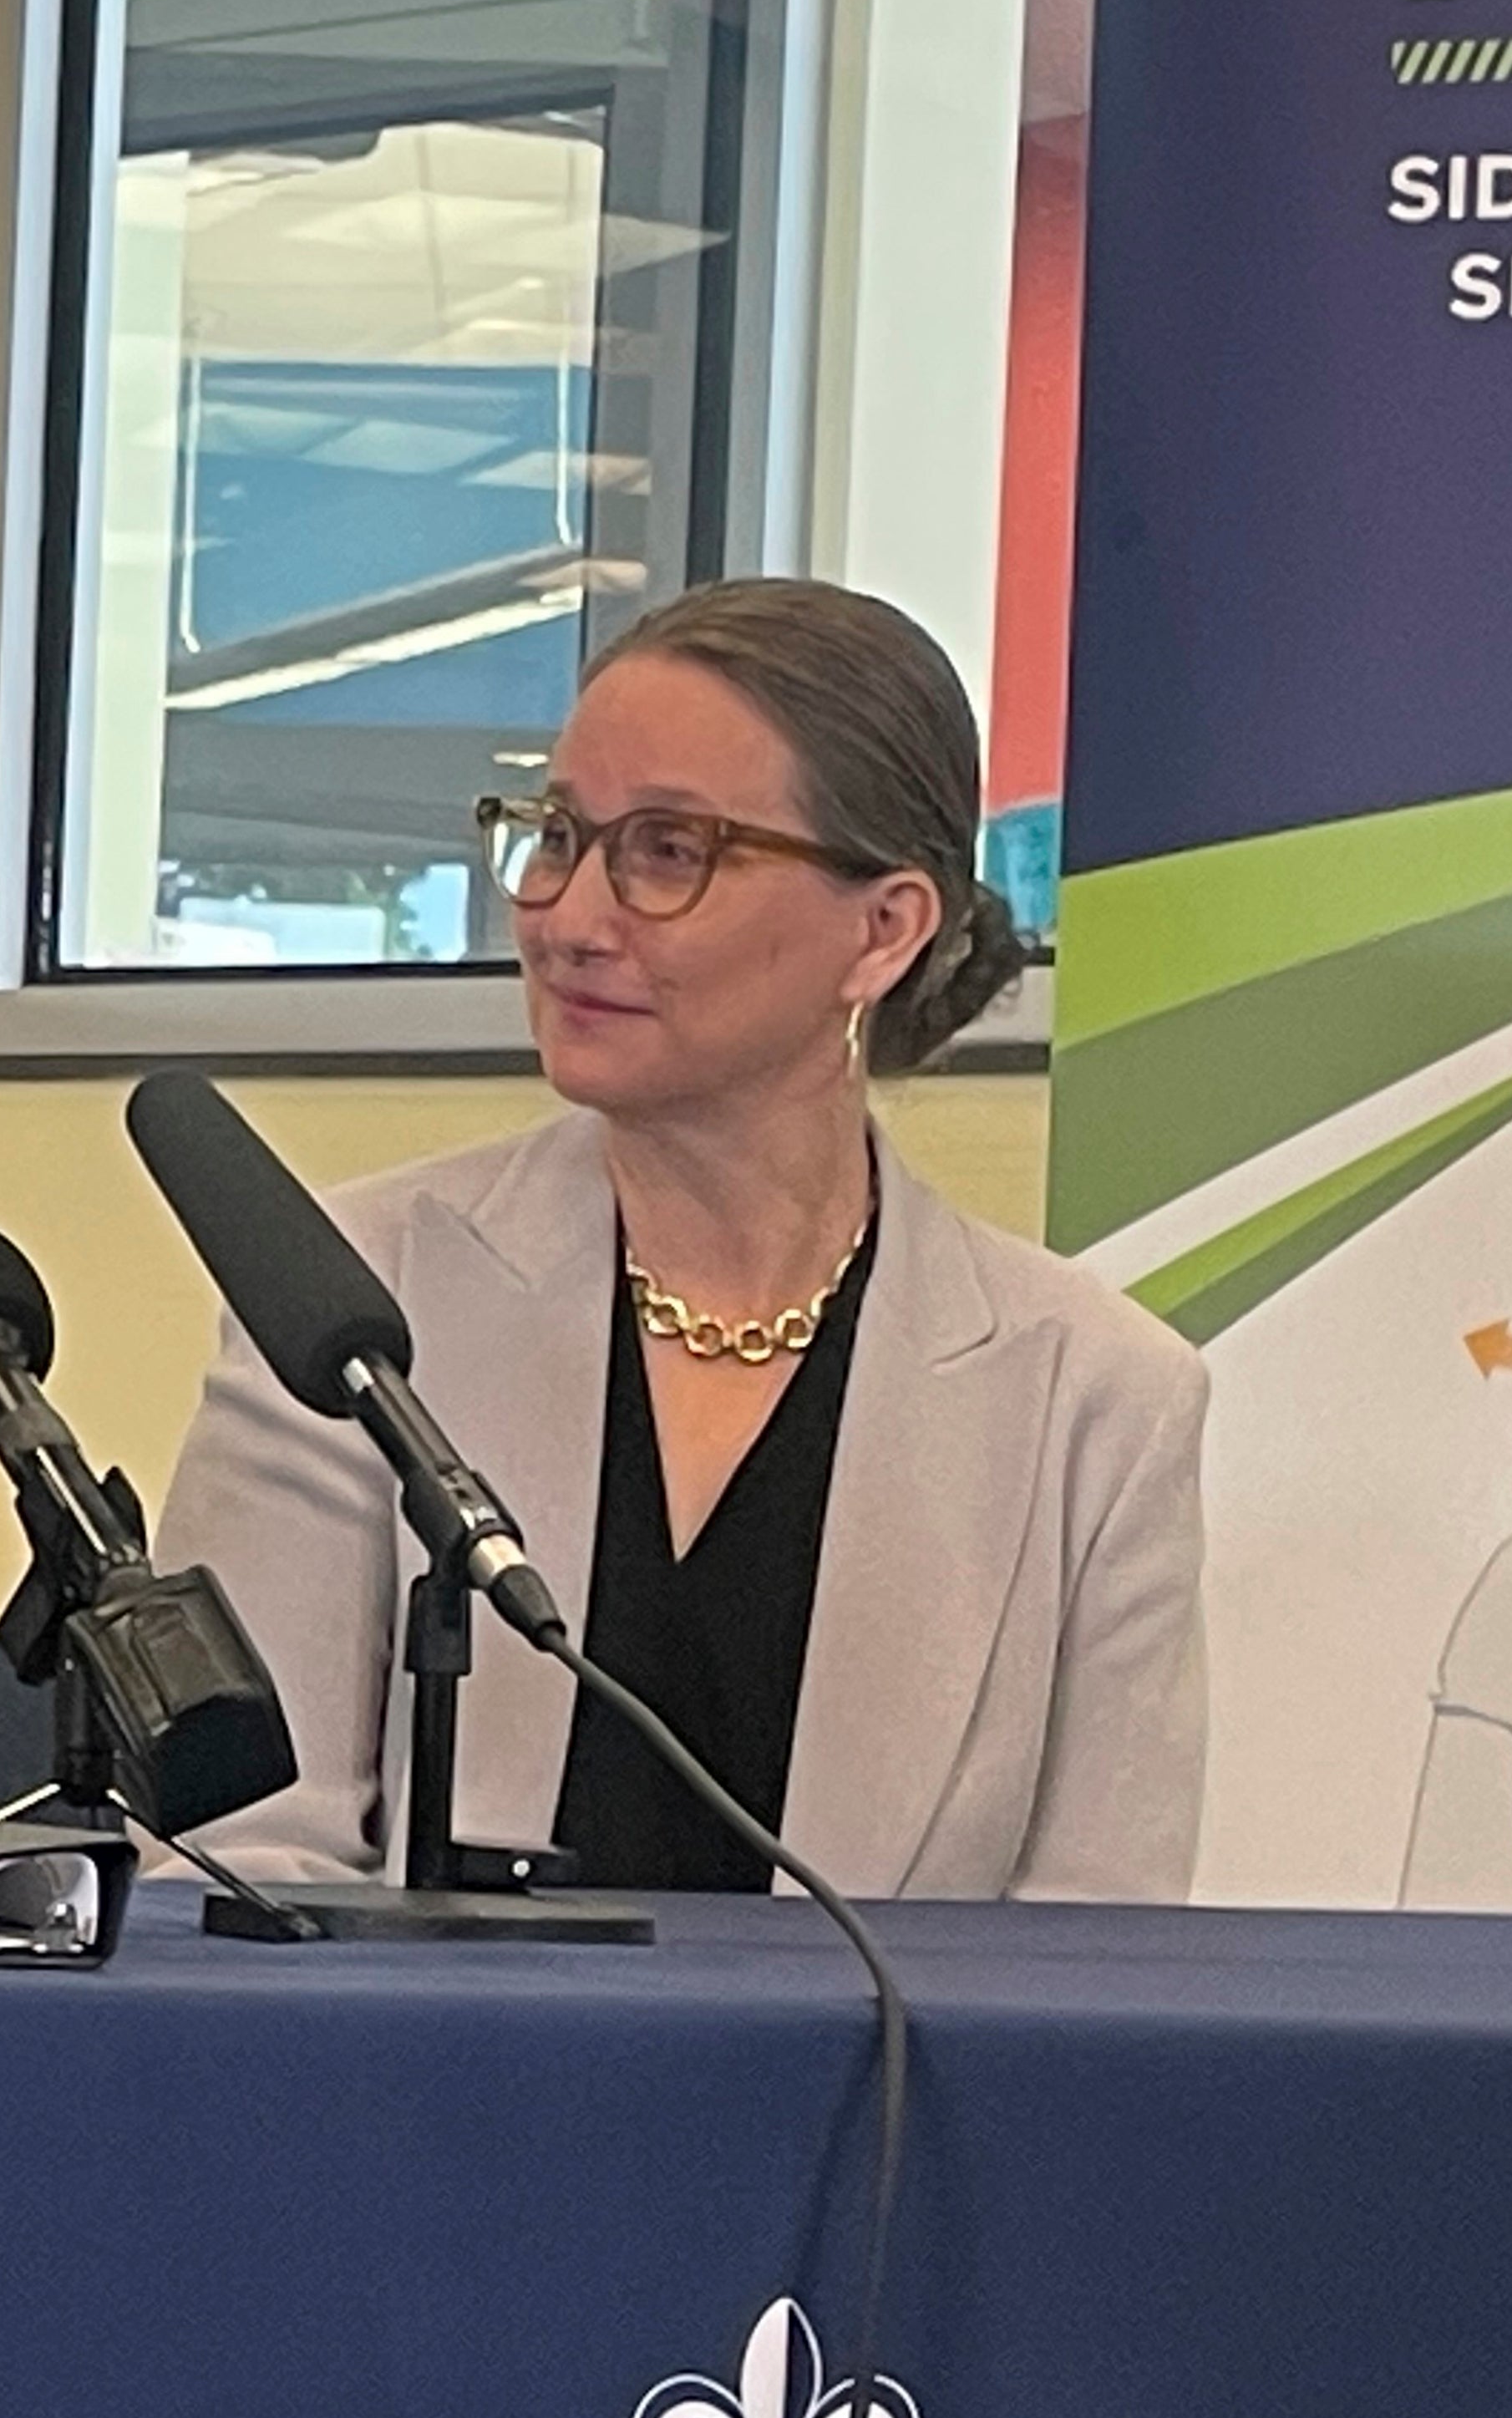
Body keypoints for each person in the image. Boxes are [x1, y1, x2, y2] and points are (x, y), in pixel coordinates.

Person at [151, 579, 1203, 1899]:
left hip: (882, 2112)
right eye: (556, 836)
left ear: (884, 929)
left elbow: (1097, 1977)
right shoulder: (344, 1302)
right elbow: (233, 1862)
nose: (569, 916)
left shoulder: (1096, 1401)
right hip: (417, 2101)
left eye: (667, 853)